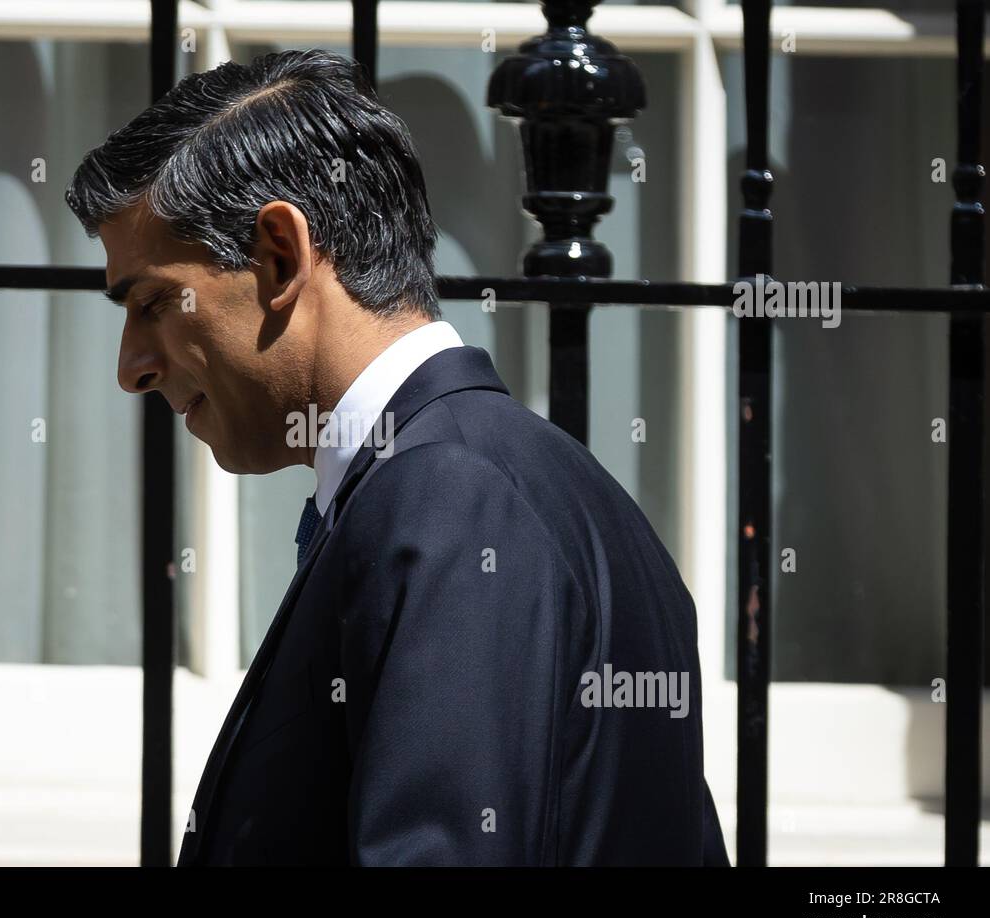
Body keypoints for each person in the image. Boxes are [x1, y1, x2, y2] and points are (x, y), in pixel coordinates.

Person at [66, 48, 729, 866]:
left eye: (156, 301)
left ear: (279, 254)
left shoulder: (448, 495)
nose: (132, 367)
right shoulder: (548, 486)